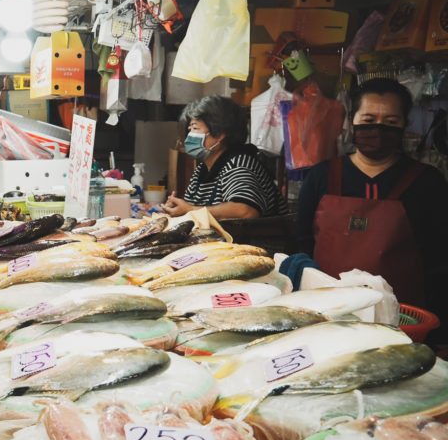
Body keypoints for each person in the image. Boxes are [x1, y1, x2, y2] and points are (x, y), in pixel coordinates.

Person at [298, 78, 448, 334]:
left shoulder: (427, 182)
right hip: (326, 320)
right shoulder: (321, 177)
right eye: (368, 121)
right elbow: (301, 246)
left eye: (391, 123)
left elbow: (439, 261)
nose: (378, 130)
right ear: (351, 122)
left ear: (404, 125)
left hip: (405, 322)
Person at [162, 95, 286, 219]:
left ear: (220, 134)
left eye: (195, 128)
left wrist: (191, 210)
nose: (190, 135)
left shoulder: (239, 164)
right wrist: (178, 209)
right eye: (190, 129)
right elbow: (191, 211)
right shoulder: (202, 171)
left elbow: (245, 210)